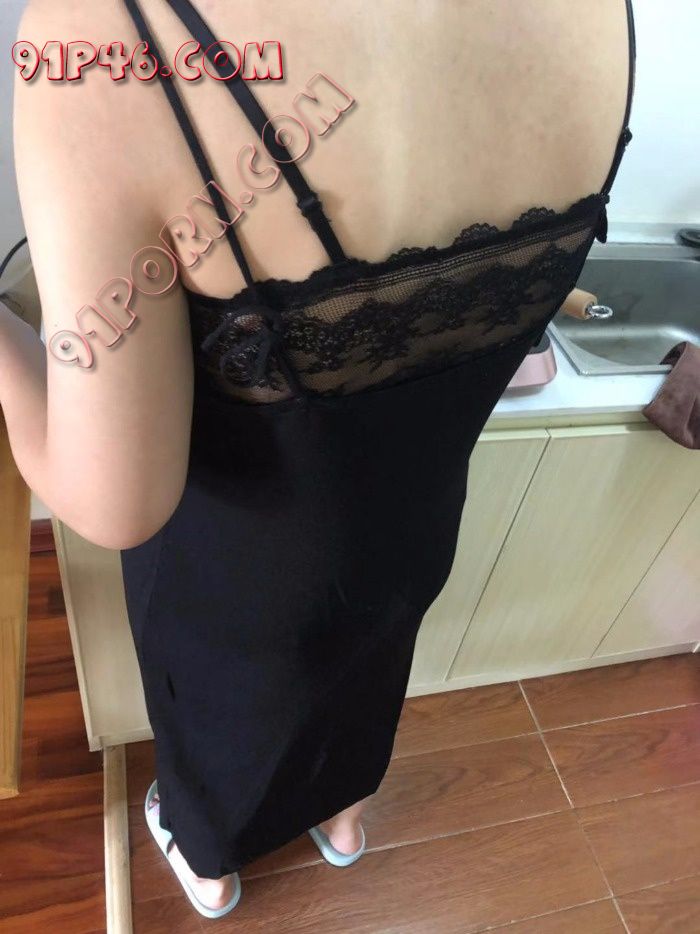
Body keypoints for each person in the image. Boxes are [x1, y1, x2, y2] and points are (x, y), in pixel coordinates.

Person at [3, 0, 635, 919]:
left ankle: (210, 863)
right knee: (369, 670)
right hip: (420, 521)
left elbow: (116, 504)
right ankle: (342, 822)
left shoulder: (102, 33)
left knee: (222, 711)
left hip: (237, 566)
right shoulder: (605, 15)